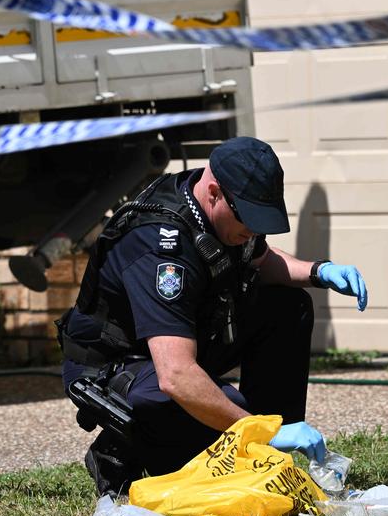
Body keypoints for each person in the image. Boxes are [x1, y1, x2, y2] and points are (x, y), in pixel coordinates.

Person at [57, 136, 369, 496]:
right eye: (248, 219)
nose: (252, 230)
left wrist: (319, 271)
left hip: (182, 337)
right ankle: (120, 452)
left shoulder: (214, 206)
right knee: (218, 427)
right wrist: (260, 431)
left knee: (289, 306)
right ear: (215, 193)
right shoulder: (161, 247)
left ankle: (260, 452)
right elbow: (176, 375)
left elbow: (259, 259)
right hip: (120, 364)